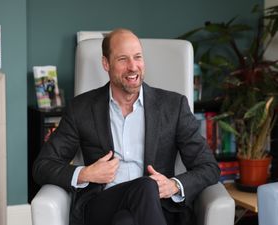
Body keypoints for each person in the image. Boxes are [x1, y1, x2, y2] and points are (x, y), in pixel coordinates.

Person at [33, 28, 220, 225]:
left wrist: (174, 185)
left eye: (137, 57)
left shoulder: (173, 106)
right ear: (106, 63)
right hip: (101, 205)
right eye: (123, 59)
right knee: (145, 187)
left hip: (157, 206)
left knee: (127, 218)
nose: (133, 67)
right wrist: (85, 173)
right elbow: (42, 166)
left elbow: (209, 167)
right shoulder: (82, 108)